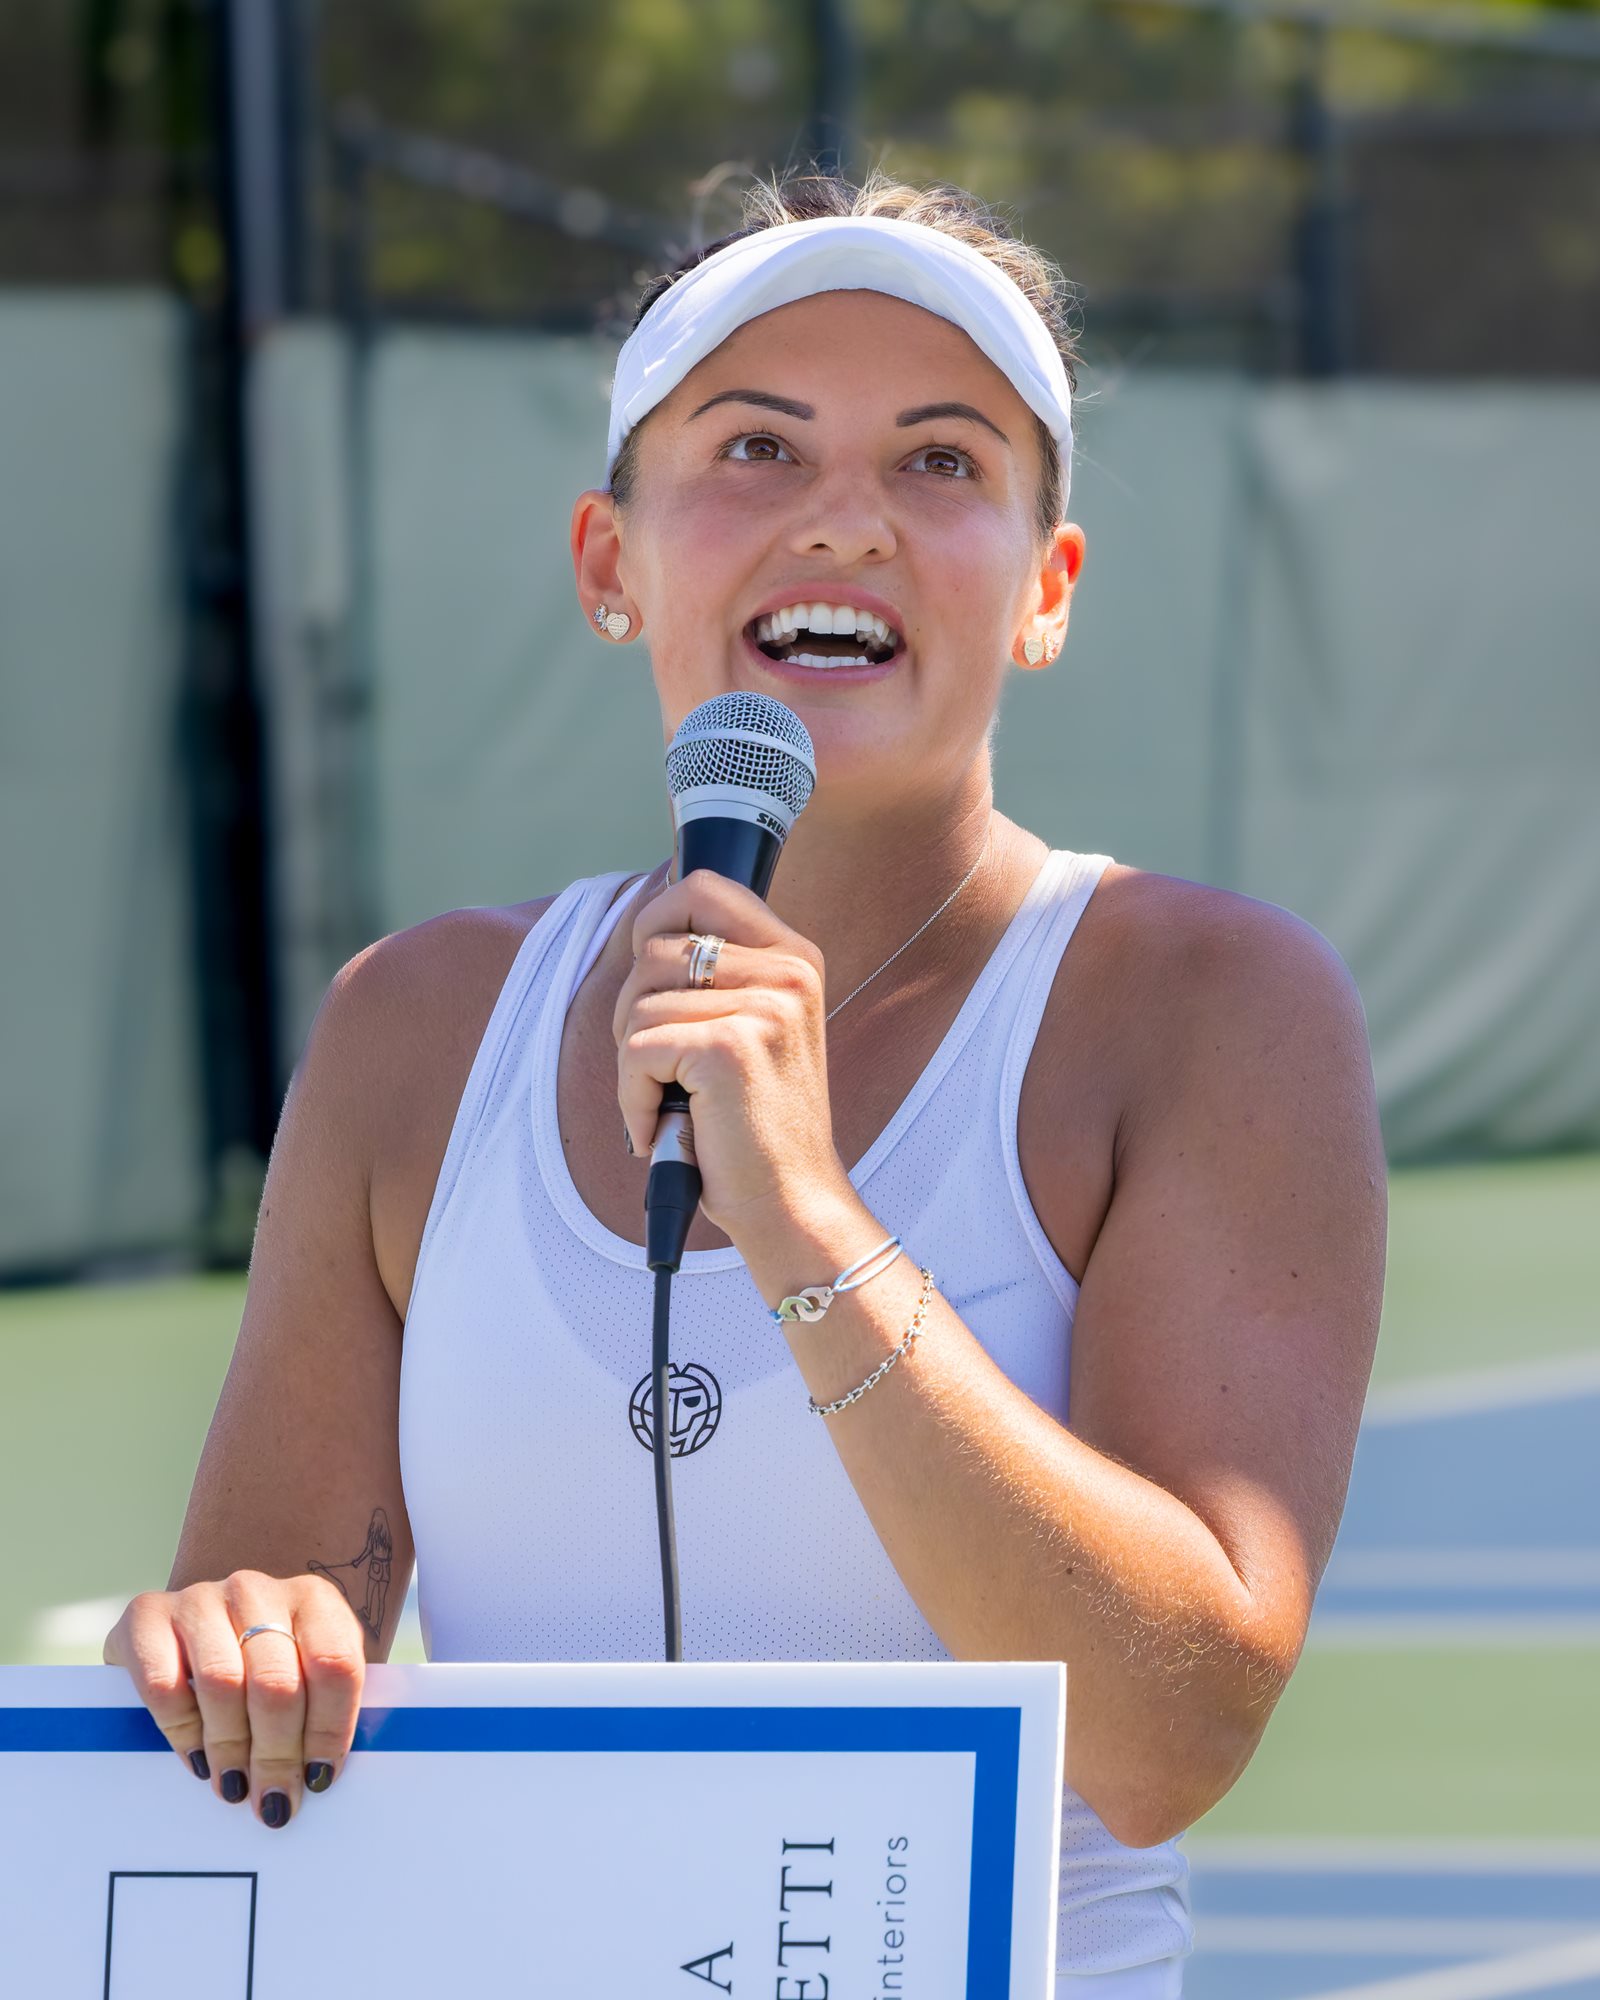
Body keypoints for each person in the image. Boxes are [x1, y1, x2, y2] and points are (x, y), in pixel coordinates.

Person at [104, 168, 1386, 1992]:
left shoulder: (1210, 1008)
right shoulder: (414, 1028)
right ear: (609, 565)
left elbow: (1164, 1739)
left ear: (1046, 592)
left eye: (941, 462)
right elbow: (266, 1668)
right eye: (757, 449)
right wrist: (234, 1652)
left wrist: (805, 1213)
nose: (845, 522)